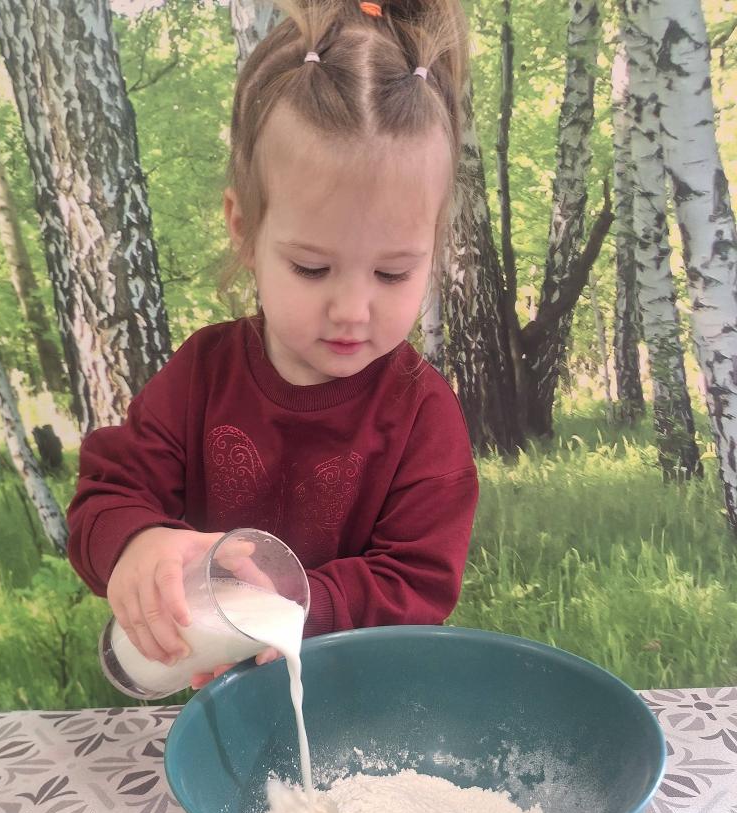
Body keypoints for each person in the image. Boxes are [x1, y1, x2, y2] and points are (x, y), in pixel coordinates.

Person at [67, 0, 479, 687]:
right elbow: (108, 496)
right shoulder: (202, 377)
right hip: (217, 695)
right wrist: (137, 544)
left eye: (393, 273)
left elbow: (419, 580)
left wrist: (299, 602)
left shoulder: (421, 414)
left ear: (434, 247)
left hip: (358, 695)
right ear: (244, 228)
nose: (352, 310)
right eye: (311, 268)